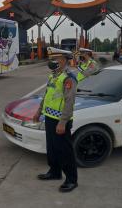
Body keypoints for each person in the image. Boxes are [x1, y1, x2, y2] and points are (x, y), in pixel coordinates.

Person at [34, 47, 78, 192]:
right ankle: (55, 172)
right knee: (52, 148)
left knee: (64, 151)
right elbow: (47, 95)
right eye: (52, 58)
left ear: (64, 60)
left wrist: (63, 122)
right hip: (49, 117)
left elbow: (69, 101)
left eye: (56, 58)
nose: (52, 61)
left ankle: (71, 180)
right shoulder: (53, 76)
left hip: (60, 120)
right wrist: (39, 111)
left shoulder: (68, 78)